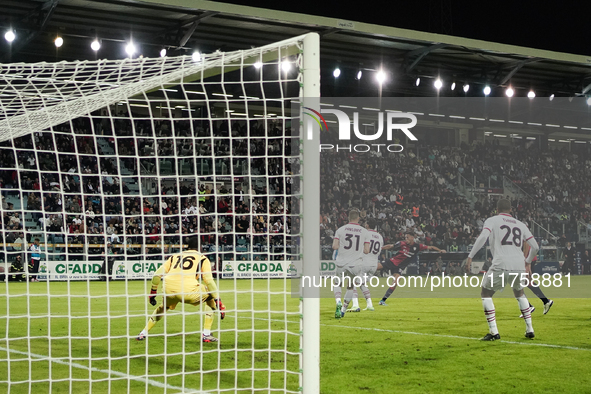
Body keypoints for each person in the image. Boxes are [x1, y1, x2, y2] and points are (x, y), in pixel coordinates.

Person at [466, 199, 539, 341]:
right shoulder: (521, 224)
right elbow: (535, 246)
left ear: (497, 209)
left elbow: (483, 237)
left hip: (501, 262)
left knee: (486, 293)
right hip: (518, 264)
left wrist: (470, 256)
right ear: (511, 210)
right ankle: (530, 329)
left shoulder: (492, 220)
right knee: (519, 293)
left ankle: (494, 332)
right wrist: (528, 262)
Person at [136, 236, 226, 343]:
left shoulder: (175, 256)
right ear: (200, 247)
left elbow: (156, 275)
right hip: (187, 291)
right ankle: (206, 334)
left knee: (163, 307)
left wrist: (152, 293)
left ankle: (143, 333)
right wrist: (218, 300)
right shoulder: (202, 258)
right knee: (210, 295)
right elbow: (209, 281)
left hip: (168, 289)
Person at [378, 232, 445, 306]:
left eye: (407, 237)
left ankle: (382, 300)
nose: (406, 239)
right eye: (405, 237)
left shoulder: (417, 246)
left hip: (400, 267)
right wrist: (381, 248)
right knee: (375, 267)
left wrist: (439, 250)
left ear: (412, 238)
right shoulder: (402, 243)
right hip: (392, 261)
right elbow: (391, 246)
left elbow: (430, 247)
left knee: (396, 282)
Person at [346, 218, 393, 312]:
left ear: (367, 225)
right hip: (374, 265)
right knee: (362, 284)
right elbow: (379, 250)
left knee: (352, 283)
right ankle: (370, 305)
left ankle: (355, 305)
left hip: (363, 262)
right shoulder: (379, 236)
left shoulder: (365, 233)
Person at [332, 209, 370, 319]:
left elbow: (334, 247)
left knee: (337, 284)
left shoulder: (340, 230)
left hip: (341, 263)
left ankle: (338, 301)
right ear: (358, 218)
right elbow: (366, 250)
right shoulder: (364, 231)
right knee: (350, 287)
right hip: (356, 264)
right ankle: (343, 310)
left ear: (348, 218)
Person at [519, 243, 554, 317]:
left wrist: (525, 262)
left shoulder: (522, 232)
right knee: (526, 282)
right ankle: (545, 301)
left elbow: (526, 246)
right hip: (529, 259)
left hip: (528, 259)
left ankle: (528, 307)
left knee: (518, 284)